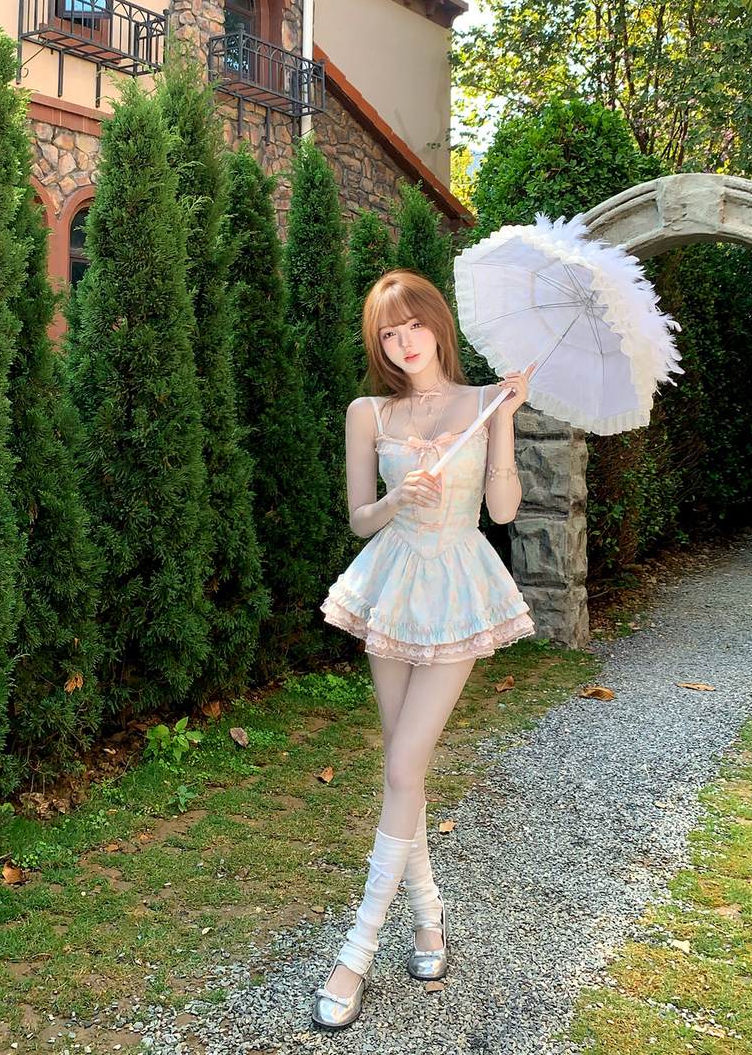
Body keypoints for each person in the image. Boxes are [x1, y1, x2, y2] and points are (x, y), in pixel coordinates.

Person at [311, 268, 536, 1029]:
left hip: (458, 589)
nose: (404, 343)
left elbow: (501, 509)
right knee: (400, 769)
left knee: (406, 764)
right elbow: (358, 520)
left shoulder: (484, 403)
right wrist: (396, 498)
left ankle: (357, 950)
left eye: (413, 326)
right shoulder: (368, 412)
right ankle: (429, 918)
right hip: (391, 583)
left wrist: (504, 419)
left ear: (437, 325)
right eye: (388, 333)